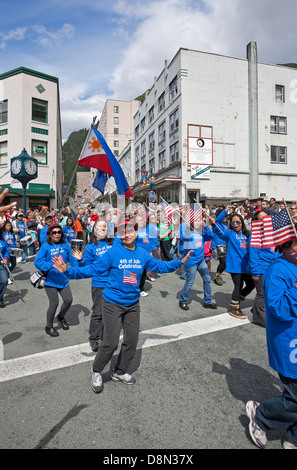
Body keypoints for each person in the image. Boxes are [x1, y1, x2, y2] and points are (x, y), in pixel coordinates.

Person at [52, 219, 193, 393]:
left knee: (131, 341)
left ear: (136, 233)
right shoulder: (112, 253)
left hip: (133, 304)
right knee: (110, 343)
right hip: (112, 303)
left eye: (130, 231)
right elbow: (91, 270)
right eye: (122, 232)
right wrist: (68, 271)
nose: (127, 234)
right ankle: (96, 370)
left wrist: (180, 262)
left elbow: (160, 266)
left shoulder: (142, 253)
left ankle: (119, 371)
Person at [246, 237, 297, 449]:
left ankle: (293, 436)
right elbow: (278, 308)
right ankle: (262, 416)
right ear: (286, 246)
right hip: (289, 343)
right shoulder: (277, 270)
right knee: (295, 398)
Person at [72, 219, 114, 352]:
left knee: (112, 311)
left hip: (114, 282)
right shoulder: (91, 247)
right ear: (94, 230)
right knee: (98, 312)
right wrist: (81, 260)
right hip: (99, 284)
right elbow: (87, 267)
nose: (103, 228)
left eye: (105, 226)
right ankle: (94, 338)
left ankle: (107, 335)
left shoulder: (114, 242)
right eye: (100, 226)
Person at [34, 223, 79, 337]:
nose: (57, 234)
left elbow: (72, 259)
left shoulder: (65, 245)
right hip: (50, 280)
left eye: (59, 232)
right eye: (54, 232)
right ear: (50, 234)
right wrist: (50, 264)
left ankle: (61, 316)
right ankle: (49, 326)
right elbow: (37, 261)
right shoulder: (45, 246)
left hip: (63, 278)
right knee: (54, 303)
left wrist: (75, 271)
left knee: (68, 300)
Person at [210, 208, 255, 319]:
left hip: (246, 265)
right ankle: (234, 308)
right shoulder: (229, 233)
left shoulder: (248, 233)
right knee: (238, 286)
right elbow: (218, 227)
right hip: (235, 265)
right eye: (233, 222)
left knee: (251, 284)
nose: (235, 224)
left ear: (242, 223)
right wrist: (223, 213)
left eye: (237, 222)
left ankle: (238, 299)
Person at [249, 211, 281, 327]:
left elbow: (275, 251)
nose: (264, 221)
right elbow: (253, 255)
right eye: (261, 219)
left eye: (266, 218)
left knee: (268, 292)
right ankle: (259, 319)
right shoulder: (256, 234)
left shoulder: (272, 233)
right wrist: (256, 272)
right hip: (261, 269)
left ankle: (256, 309)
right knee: (261, 294)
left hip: (272, 268)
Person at [179, 218, 217, 311]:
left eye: (199, 221)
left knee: (207, 279)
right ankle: (182, 300)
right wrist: (186, 226)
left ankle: (207, 301)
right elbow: (183, 238)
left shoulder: (200, 232)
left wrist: (205, 227)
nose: (197, 222)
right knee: (190, 281)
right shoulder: (187, 230)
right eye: (195, 221)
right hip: (191, 260)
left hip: (201, 260)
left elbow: (211, 236)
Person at [0, 228, 11, 307]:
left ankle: (0, 298)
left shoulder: (3, 241)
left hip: (1, 264)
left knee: (4, 280)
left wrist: (6, 258)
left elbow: (7, 251)